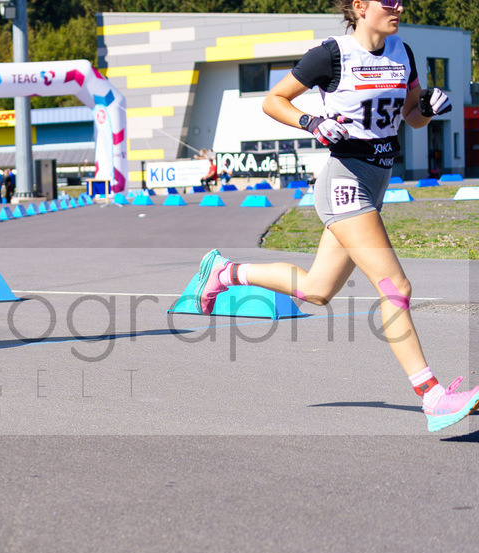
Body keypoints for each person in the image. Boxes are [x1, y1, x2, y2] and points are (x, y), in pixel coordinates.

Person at [191, 0, 477, 433]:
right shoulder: (331, 55)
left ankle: (226, 272)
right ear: (360, 7)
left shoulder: (404, 52)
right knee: (395, 286)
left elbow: (411, 118)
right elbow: (274, 100)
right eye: (387, 1)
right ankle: (432, 396)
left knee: (316, 289)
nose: (397, 6)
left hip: (378, 179)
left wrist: (431, 108)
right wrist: (311, 121)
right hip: (345, 180)